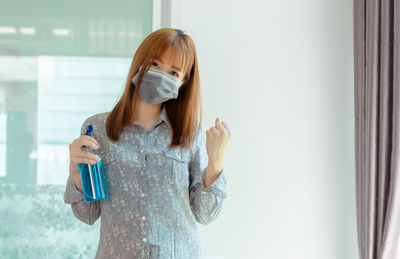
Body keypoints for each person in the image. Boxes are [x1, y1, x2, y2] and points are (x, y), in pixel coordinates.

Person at [64, 28, 231, 259]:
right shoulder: (98, 130)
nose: (161, 74)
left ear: (183, 82)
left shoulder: (190, 134)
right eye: (154, 64)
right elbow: (87, 214)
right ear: (139, 63)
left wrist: (216, 161)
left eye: (174, 72)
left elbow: (205, 214)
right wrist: (76, 173)